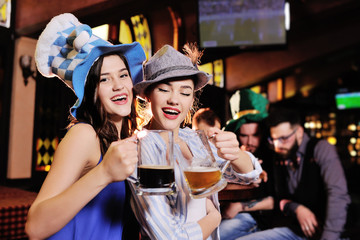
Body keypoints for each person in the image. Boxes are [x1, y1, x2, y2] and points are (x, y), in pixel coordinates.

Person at [25, 13, 146, 240]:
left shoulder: (122, 139)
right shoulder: (84, 134)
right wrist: (104, 172)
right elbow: (35, 227)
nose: (118, 85)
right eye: (104, 79)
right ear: (91, 92)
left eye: (123, 75)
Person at [130, 44, 263, 240]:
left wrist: (235, 153)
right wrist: (215, 217)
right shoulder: (140, 148)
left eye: (185, 92)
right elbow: (169, 237)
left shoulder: (193, 139)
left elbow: (249, 177)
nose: (174, 100)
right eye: (164, 89)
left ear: (192, 100)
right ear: (148, 95)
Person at [238, 107, 351, 240]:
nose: (277, 145)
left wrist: (329, 236)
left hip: (330, 232)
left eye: (284, 138)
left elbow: (338, 195)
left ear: (299, 132)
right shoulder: (280, 155)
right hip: (297, 230)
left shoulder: (321, 149)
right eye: (273, 139)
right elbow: (279, 199)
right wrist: (297, 208)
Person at [219, 89, 274, 240]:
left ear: (262, 133)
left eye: (255, 135)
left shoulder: (271, 157)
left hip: (255, 218)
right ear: (237, 135)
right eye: (244, 135)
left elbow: (276, 200)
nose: (250, 142)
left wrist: (239, 207)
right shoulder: (229, 155)